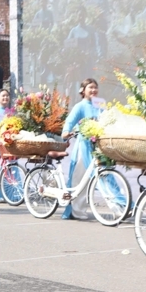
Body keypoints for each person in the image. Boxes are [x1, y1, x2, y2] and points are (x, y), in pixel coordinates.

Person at [60, 79, 108, 219]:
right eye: (90, 87)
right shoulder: (80, 106)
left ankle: (120, 205)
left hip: (99, 146)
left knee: (105, 175)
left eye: (95, 88)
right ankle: (77, 210)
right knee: (80, 178)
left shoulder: (100, 104)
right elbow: (69, 122)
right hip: (83, 146)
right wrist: (66, 132)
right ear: (83, 90)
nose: (93, 90)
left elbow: (107, 119)